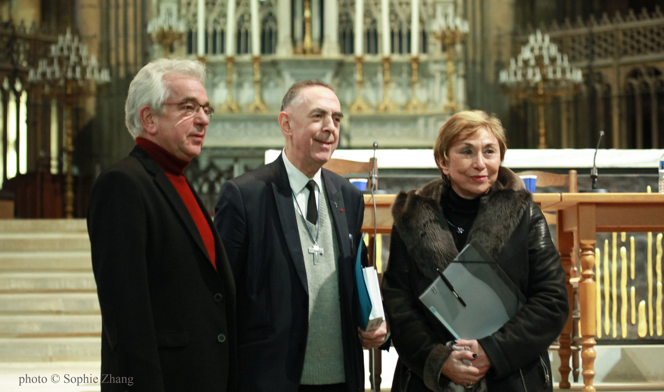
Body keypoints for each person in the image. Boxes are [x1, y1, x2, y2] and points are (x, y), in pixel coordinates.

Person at [214, 80, 387, 392]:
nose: (330, 128)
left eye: (336, 118)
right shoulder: (245, 195)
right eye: (318, 116)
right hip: (271, 377)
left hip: (340, 376)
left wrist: (373, 322)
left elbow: (356, 277)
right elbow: (222, 293)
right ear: (286, 124)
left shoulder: (348, 196)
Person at [381, 110, 568, 391]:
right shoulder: (412, 217)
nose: (480, 164)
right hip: (430, 378)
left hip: (509, 374)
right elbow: (398, 304)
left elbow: (552, 300)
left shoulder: (524, 215)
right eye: (467, 151)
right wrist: (440, 360)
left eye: (489, 151)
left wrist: (492, 351)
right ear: (444, 161)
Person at [88, 58, 236, 391]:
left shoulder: (177, 181)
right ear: (149, 118)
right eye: (188, 107)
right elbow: (126, 318)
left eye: (205, 109)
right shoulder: (122, 184)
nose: (202, 120)